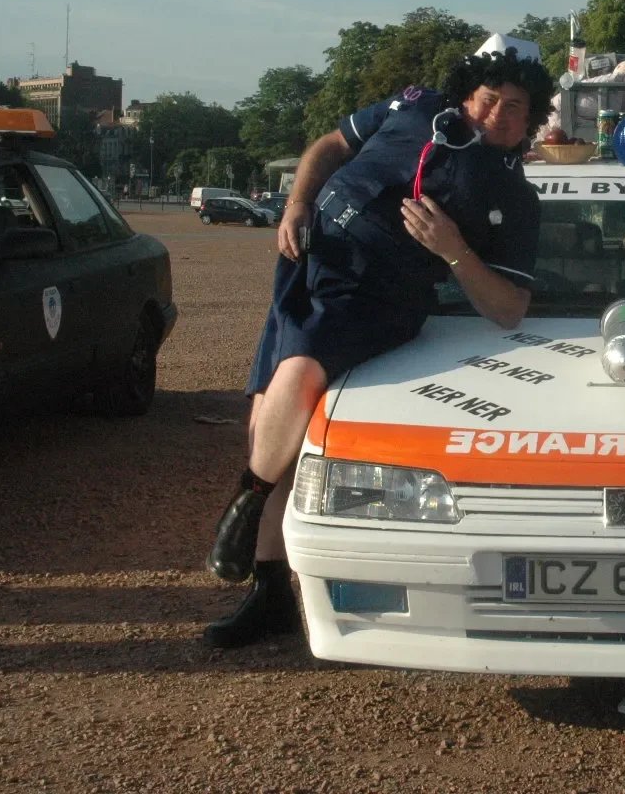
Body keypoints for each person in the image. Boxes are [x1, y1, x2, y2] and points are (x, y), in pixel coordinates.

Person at [201, 43, 555, 649]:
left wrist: (453, 249)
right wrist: (296, 203)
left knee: (302, 369)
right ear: (467, 94)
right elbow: (331, 145)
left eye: (514, 107)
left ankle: (244, 506)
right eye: (487, 99)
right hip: (309, 265)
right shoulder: (415, 106)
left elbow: (508, 309)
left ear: (531, 119)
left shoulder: (515, 199)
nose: (496, 113)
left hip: (374, 298)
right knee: (268, 422)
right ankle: (268, 594)